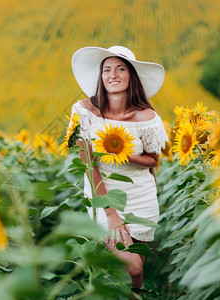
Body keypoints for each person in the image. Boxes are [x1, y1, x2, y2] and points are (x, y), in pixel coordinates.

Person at [70, 46, 168, 289]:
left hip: (141, 197)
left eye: (120, 69)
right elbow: (88, 166)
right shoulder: (84, 111)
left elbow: (153, 159)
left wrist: (127, 156)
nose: (113, 75)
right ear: (101, 77)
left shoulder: (148, 117)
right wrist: (110, 213)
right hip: (103, 196)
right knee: (132, 268)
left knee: (137, 276)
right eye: (107, 70)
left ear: (131, 75)